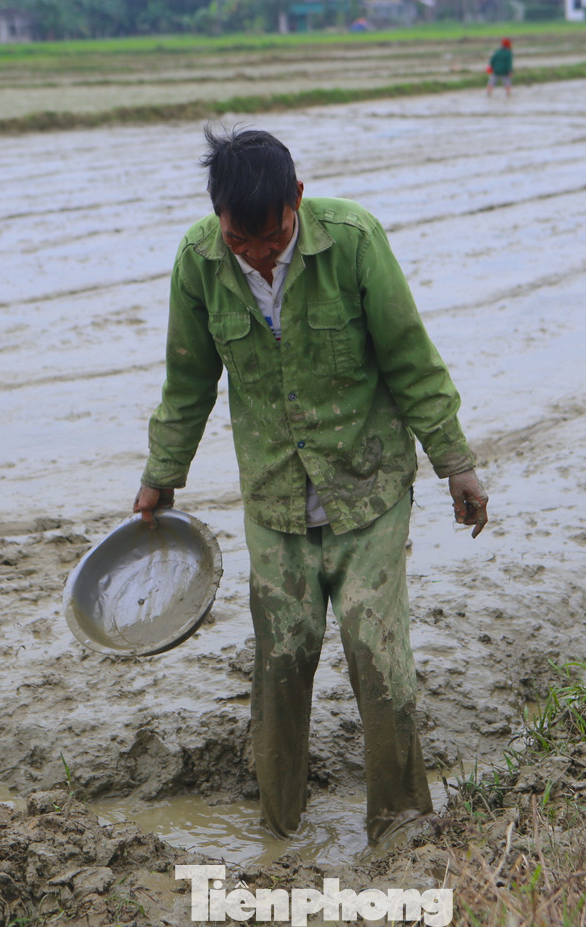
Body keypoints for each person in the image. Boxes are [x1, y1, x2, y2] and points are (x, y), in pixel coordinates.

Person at [132, 126, 489, 844]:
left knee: (375, 648)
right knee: (283, 657)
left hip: (367, 484)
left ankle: (400, 829)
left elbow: (410, 357)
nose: (257, 254)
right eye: (241, 240)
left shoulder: (353, 241)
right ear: (218, 218)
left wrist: (456, 462)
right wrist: (160, 478)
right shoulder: (200, 261)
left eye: (270, 237)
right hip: (274, 496)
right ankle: (279, 830)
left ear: (296, 198)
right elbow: (188, 378)